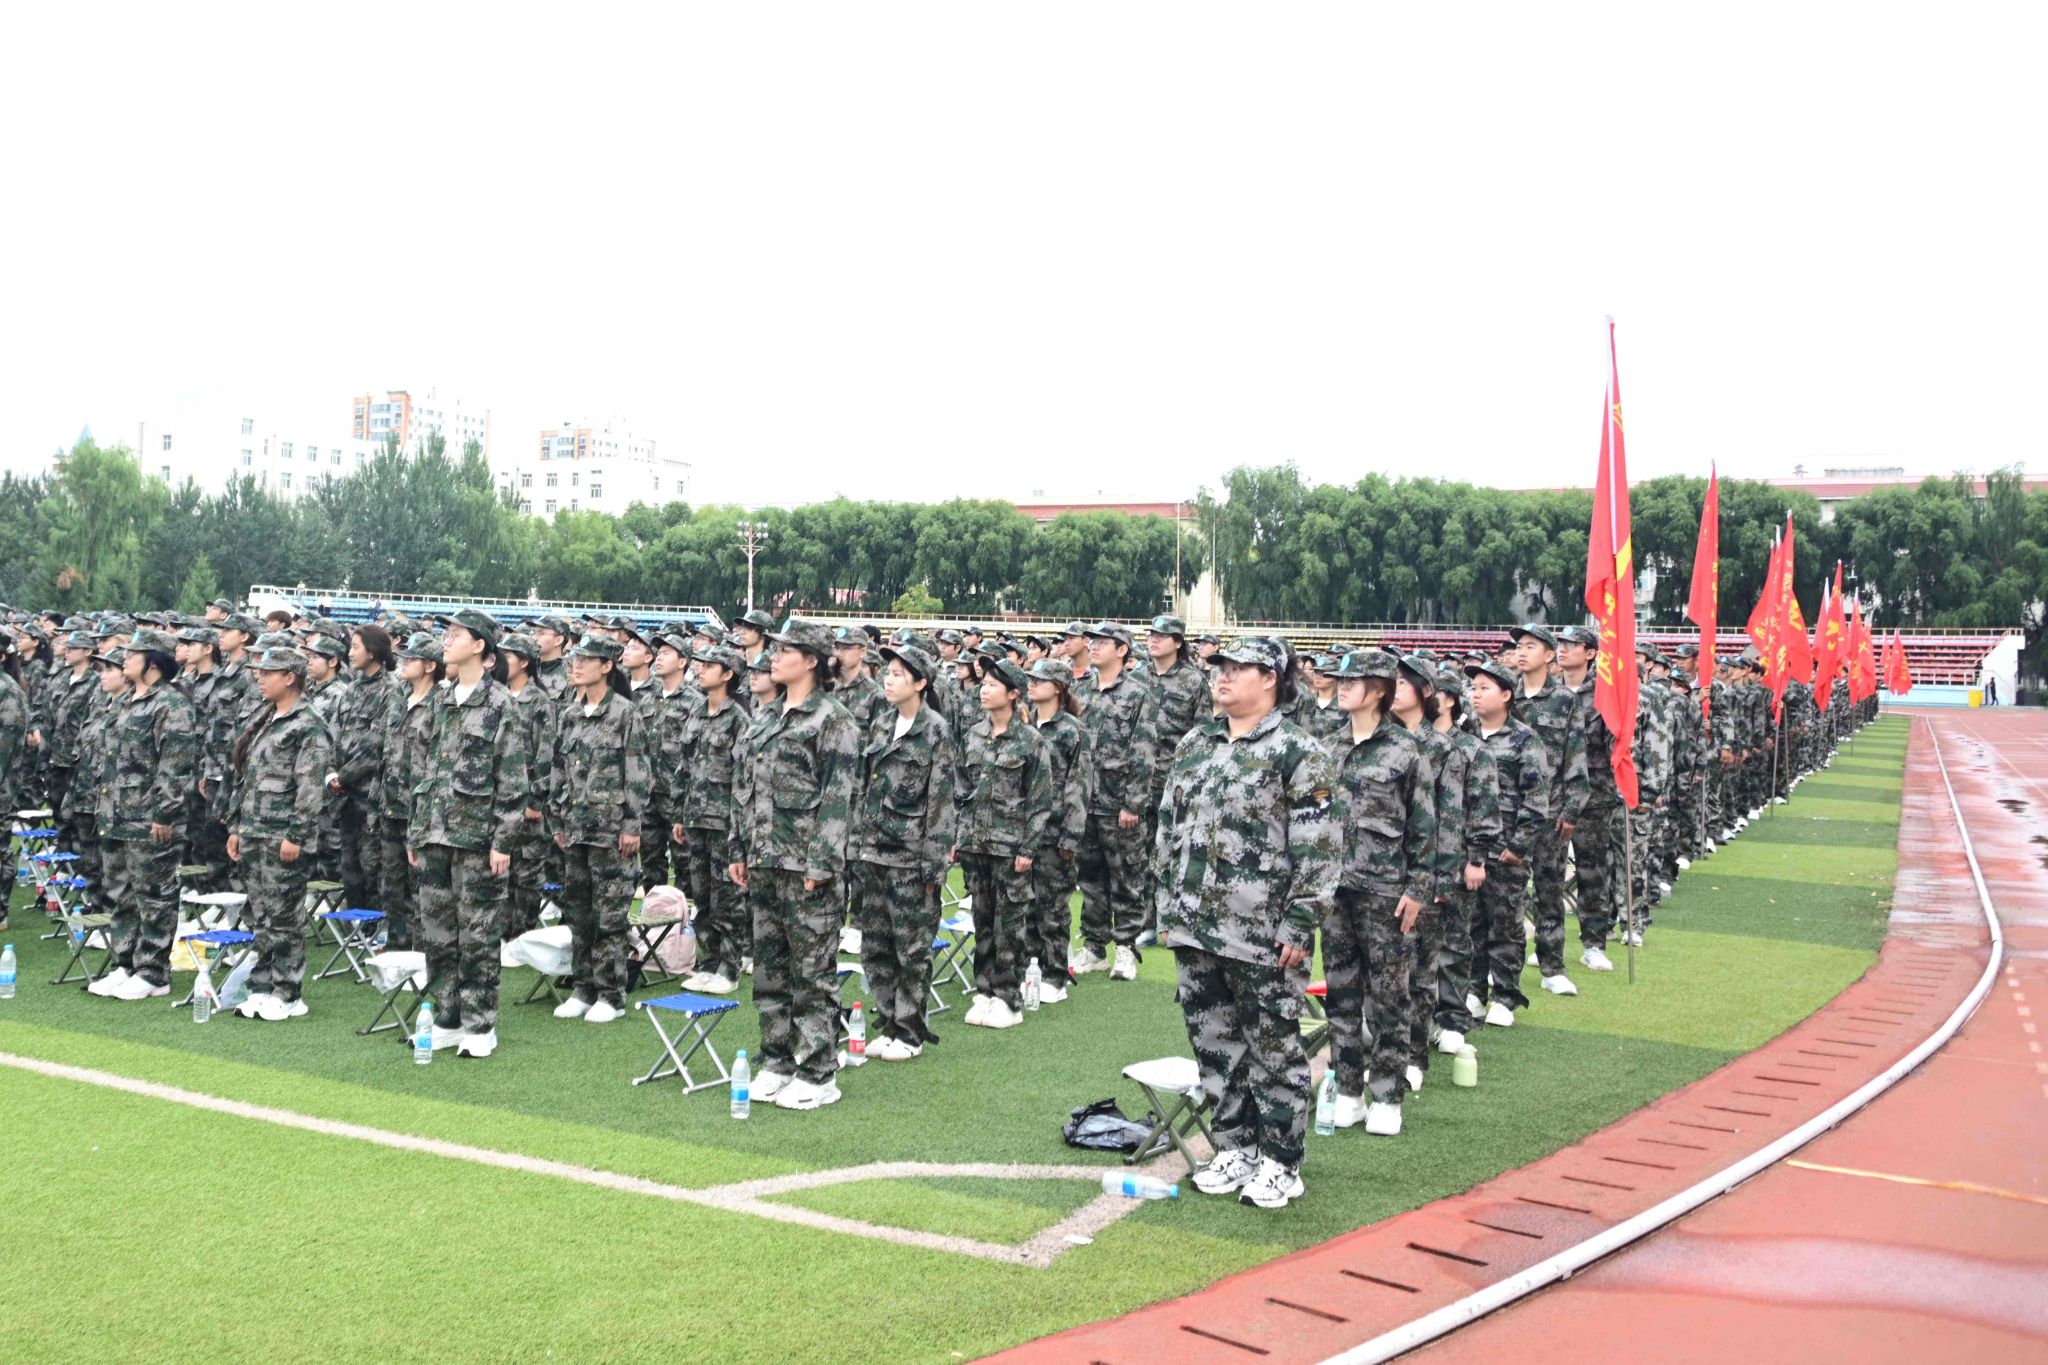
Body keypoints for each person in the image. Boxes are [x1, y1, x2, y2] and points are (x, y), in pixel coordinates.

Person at [1157, 637, 1341, 1210]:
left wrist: (1300, 922)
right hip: (1196, 923)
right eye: (1221, 667)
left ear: (1271, 678)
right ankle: (1236, 1147)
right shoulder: (1197, 742)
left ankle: (1282, 1162)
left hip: (1261, 931)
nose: (1224, 676)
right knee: (1215, 1045)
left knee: (1273, 1048)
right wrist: (1167, 904)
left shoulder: (1298, 752)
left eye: (1239, 668)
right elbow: (1169, 827)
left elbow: (1319, 846)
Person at [728, 619, 859, 1111]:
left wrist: (821, 864)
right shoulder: (765, 716)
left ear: (811, 661)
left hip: (806, 867)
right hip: (764, 860)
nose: (774, 658)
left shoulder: (833, 719)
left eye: (785, 651)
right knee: (771, 970)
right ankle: (777, 1061)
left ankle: (819, 1070)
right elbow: (744, 790)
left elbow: (838, 799)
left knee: (812, 973)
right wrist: (738, 849)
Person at [409, 609, 532, 1060]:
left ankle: (480, 1024)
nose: (447, 641)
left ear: (479, 646)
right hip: (435, 834)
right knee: (437, 934)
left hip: (477, 838)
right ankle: (448, 1016)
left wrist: (503, 841)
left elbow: (512, 778)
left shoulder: (500, 704)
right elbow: (422, 770)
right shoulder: (440, 701)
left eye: (456, 635)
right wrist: (416, 831)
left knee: (478, 935)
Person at [1320, 649, 1433, 1136]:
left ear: (1381, 689)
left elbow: (1424, 826)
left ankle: (1387, 1094)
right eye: (1341, 679)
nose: (1343, 686)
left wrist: (1418, 888)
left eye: (1355, 679)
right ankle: (1348, 1091)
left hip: (1386, 892)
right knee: (1341, 993)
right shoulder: (1327, 746)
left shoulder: (1406, 751)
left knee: (1389, 997)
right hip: (1334, 890)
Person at [847, 644, 955, 1058]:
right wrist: (855, 845)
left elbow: (941, 803)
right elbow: (862, 788)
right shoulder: (881, 724)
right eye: (887, 672)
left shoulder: (935, 730)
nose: (887, 680)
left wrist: (934, 867)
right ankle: (889, 1021)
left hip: (911, 857)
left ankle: (910, 1032)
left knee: (912, 949)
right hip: (873, 853)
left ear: (920, 683)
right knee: (876, 946)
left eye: (897, 674)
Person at [86, 630, 199, 1001]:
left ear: (153, 662)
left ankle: (153, 972)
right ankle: (126, 962)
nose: (125, 659)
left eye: (133, 653)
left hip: (150, 818)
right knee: (122, 894)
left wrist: (164, 813)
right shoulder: (124, 701)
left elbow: (176, 765)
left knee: (154, 895)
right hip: (117, 813)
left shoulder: (171, 703)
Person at [224, 645, 334, 1021]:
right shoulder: (268, 717)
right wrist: (237, 827)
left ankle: (288, 992)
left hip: (282, 835)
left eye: (268, 673)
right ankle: (262, 985)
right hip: (255, 831)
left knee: (284, 916)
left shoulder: (308, 723)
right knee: (260, 915)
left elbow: (310, 786)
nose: (260, 678)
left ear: (290, 678)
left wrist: (296, 835)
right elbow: (248, 779)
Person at [549, 634, 652, 1025]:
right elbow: (558, 770)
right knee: (578, 912)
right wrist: (557, 819)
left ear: (607, 666)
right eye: (575, 659)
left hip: (611, 831)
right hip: (575, 828)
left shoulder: (625, 713)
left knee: (610, 916)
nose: (576, 665)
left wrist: (631, 825)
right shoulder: (570, 714)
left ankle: (611, 993)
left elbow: (638, 773)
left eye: (586, 660)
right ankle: (582, 987)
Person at [951, 656, 1053, 1030]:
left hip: (1010, 848)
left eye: (993, 684)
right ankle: (985, 990)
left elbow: (1040, 800)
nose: (984, 689)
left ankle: (1008, 997)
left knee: (1008, 925)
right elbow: (959, 791)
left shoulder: (1030, 740)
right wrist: (957, 837)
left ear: (1013, 694)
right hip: (976, 845)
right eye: (984, 683)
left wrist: (1027, 848)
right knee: (982, 921)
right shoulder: (973, 735)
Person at [1072, 622, 1162, 982]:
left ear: (1122, 650)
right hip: (1085, 801)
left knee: (1126, 875)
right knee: (1090, 877)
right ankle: (1094, 946)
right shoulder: (1080, 690)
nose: (1093, 646)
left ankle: (1125, 947)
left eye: (1103, 642)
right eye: (1092, 641)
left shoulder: (1138, 694)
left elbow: (1144, 752)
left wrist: (1133, 804)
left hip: (1118, 802)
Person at [1465, 660, 1547, 1027]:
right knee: (1471, 923)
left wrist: (1519, 846)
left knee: (1505, 923)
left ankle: (1505, 994)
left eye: (1484, 688)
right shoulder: (1464, 734)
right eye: (1474, 688)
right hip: (1470, 847)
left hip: (1505, 848)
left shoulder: (1524, 739)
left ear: (1506, 695)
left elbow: (1536, 798)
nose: (1476, 694)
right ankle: (1473, 990)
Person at [1509, 624, 1587, 998]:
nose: (1522, 652)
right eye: (1519, 646)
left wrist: (1571, 809)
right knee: (1506, 895)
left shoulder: (1565, 701)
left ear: (1549, 655)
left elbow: (1576, 757)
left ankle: (1552, 966)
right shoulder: (1505, 696)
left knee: (1549, 891)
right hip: (1509, 812)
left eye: (1531, 646)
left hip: (1550, 811)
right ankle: (1502, 965)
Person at [1429, 667, 1498, 1055]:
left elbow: (1483, 807)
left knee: (1454, 942)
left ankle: (1453, 1019)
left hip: (1456, 860)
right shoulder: (1411, 742)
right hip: (1417, 861)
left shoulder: (1471, 748)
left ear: (1449, 700)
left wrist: (1477, 859)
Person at [675, 645, 751, 994]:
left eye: (709, 665)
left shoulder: (738, 719)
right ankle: (709, 963)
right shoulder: (696, 712)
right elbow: (685, 767)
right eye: (700, 664)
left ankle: (729, 967)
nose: (700, 670)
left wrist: (738, 828)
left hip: (724, 822)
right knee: (702, 895)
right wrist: (680, 813)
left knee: (728, 898)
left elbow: (743, 779)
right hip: (696, 818)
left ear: (728, 674)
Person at [1554, 626, 1623, 974]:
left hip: (1594, 795)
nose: (1563, 649)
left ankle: (1593, 944)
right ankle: (1550, 944)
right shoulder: (1548, 692)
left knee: (1592, 872)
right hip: (1552, 796)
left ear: (1591, 653)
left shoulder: (1606, 694)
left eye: (1572, 644)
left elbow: (1619, 743)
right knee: (1549, 874)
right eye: (1561, 644)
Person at [1025, 657, 1093, 994]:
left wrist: (1071, 835)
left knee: (1051, 907)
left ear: (1058, 688)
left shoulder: (1072, 730)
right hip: (1023, 831)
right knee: (1024, 906)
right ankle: (1029, 970)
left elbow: (1079, 785)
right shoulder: (1024, 724)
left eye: (1040, 680)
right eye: (1031, 679)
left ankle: (1055, 975)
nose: (1032, 684)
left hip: (1055, 832)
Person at [378, 633, 442, 953]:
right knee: (392, 881)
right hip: (391, 803)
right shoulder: (399, 697)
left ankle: (421, 950)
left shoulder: (441, 703)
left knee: (420, 885)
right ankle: (396, 943)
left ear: (430, 666)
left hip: (421, 809)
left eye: (411, 658)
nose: (403, 662)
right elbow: (385, 750)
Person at [330, 625, 400, 915]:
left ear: (372, 651)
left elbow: (377, 744)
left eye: (356, 647)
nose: (350, 653)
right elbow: (333, 734)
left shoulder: (391, 691)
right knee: (350, 869)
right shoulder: (350, 689)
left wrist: (343, 775)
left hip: (370, 795)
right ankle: (354, 928)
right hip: (344, 795)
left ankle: (374, 928)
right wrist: (330, 772)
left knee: (373, 867)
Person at [496, 633, 556, 945]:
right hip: (499, 800)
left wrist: (536, 801)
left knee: (526, 873)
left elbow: (546, 754)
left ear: (524, 662)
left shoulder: (539, 702)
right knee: (499, 870)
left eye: (508, 656)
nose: (501, 661)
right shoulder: (497, 696)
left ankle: (521, 937)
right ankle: (503, 935)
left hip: (527, 801)